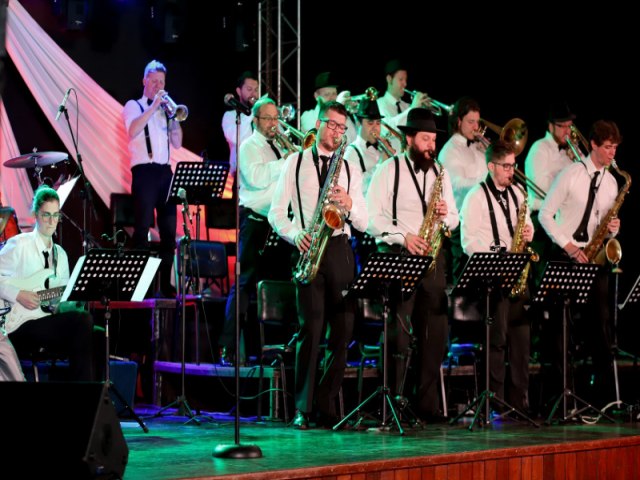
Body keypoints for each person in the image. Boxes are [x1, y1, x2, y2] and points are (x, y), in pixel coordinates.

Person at [268, 100, 367, 429]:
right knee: (310, 330)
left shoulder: (349, 167)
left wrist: (349, 203)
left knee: (343, 331)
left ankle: (327, 404)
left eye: (342, 128)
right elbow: (276, 213)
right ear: (319, 123)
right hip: (309, 247)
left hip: (339, 247)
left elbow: (364, 220)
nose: (337, 132)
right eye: (332, 125)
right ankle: (303, 407)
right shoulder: (294, 162)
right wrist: (295, 234)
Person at [366, 108, 459, 423]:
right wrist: (403, 237)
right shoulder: (388, 170)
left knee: (434, 333)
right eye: (425, 139)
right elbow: (372, 219)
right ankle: (393, 402)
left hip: (432, 256)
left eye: (433, 139)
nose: (431, 146)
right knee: (399, 333)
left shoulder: (440, 173)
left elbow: (455, 218)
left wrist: (446, 215)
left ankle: (426, 405)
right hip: (399, 256)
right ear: (409, 139)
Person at [538, 119, 623, 408]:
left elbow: (604, 226)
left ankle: (604, 398)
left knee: (600, 326)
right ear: (594, 145)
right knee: (561, 330)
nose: (612, 153)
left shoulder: (611, 182)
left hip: (592, 258)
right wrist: (569, 246)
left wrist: (613, 230)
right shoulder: (571, 173)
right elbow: (545, 214)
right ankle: (562, 399)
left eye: (615, 148)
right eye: (608, 147)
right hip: (566, 255)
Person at [459, 140, 534, 413]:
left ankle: (519, 402)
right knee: (497, 341)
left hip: (517, 274)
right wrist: (495, 260)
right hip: (493, 278)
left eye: (513, 166)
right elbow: (468, 241)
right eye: (506, 166)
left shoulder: (518, 193)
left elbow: (528, 224)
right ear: (491, 166)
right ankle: (496, 401)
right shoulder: (475, 196)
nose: (511, 171)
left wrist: (528, 232)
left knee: (521, 342)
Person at [219, 96, 292, 365]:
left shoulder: (279, 146)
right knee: (244, 284)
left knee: (282, 284)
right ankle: (229, 347)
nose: (274, 123)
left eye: (276, 118)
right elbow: (257, 178)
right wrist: (286, 162)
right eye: (268, 118)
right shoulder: (248, 146)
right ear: (256, 120)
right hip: (254, 221)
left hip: (278, 223)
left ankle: (281, 347)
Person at [0, 185, 98, 381]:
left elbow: (59, 303)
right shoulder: (19, 244)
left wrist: (72, 301)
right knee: (82, 321)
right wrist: (18, 294)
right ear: (36, 215)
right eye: (46, 215)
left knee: (97, 334)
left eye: (55, 215)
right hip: (18, 325)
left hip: (45, 322)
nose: (52, 221)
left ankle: (95, 396)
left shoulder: (60, 254)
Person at [122, 59, 183, 298]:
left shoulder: (165, 112)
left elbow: (177, 143)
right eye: (154, 81)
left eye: (162, 82)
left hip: (165, 173)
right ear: (144, 81)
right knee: (142, 229)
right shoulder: (134, 105)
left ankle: (165, 285)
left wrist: (173, 119)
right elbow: (132, 130)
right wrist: (154, 106)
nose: (159, 85)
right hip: (144, 172)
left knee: (169, 231)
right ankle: (141, 286)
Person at [524, 102, 576, 286]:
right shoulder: (539, 149)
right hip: (541, 221)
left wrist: (577, 165)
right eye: (562, 126)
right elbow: (541, 188)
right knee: (545, 279)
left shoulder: (571, 152)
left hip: (562, 220)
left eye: (569, 126)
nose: (567, 131)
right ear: (550, 125)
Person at [438, 96, 486, 284]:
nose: (476, 127)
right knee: (464, 277)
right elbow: (456, 184)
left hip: (482, 220)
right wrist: (487, 181)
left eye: (477, 122)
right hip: (460, 222)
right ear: (459, 121)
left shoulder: (478, 148)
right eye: (470, 122)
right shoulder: (449, 150)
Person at [300, 72, 357, 144]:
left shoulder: (345, 118)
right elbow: (324, 141)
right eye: (327, 94)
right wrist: (337, 109)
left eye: (334, 93)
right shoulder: (307, 116)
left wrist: (356, 116)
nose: (332, 98)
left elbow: (355, 141)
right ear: (316, 96)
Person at [221, 71, 259, 178]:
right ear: (239, 91)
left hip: (261, 172)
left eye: (256, 90)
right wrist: (253, 112)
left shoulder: (260, 116)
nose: (254, 94)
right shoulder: (229, 116)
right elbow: (235, 138)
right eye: (249, 89)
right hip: (240, 174)